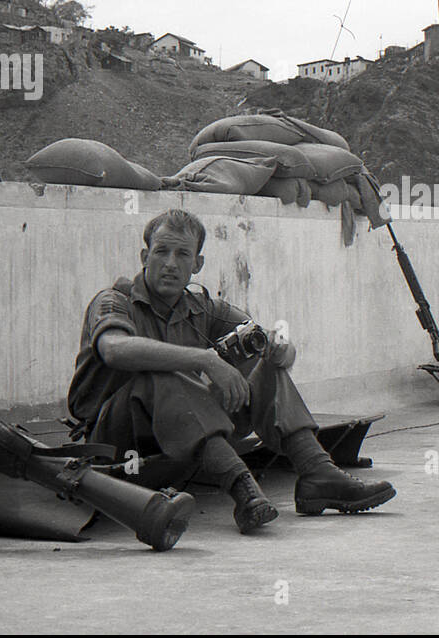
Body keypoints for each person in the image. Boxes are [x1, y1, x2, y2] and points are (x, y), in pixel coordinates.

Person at [67, 209, 395, 533]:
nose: (170, 263)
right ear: (144, 256)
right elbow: (114, 349)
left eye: (182, 254)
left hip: (177, 446)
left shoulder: (203, 308)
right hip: (115, 454)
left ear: (197, 264)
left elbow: (266, 338)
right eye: (161, 251)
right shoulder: (115, 300)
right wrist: (205, 360)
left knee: (258, 361)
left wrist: (280, 349)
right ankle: (244, 491)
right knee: (165, 371)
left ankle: (318, 473)